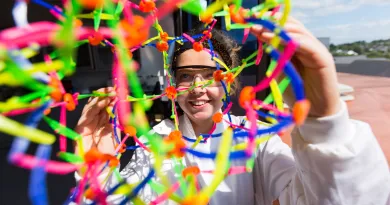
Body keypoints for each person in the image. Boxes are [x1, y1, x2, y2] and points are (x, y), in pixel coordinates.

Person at [74, 15, 390, 205]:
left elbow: (327, 198)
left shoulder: (255, 141)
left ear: (230, 84)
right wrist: (97, 176)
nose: (197, 88)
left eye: (210, 76)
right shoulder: (154, 143)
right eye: (186, 76)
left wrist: (326, 128)